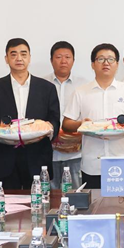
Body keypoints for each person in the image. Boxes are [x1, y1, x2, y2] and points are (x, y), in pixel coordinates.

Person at [63, 43, 124, 189]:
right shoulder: (81, 92)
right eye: (101, 59)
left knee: (121, 202)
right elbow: (66, 124)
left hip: (120, 162)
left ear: (117, 64)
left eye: (110, 59)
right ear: (93, 64)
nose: (106, 63)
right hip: (92, 163)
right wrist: (81, 124)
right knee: (94, 202)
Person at [0, 38, 60, 190]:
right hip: (6, 157)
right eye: (13, 54)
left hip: (38, 155)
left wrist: (45, 130)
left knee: (39, 200)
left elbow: (55, 119)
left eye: (23, 54)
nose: (19, 58)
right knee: (10, 202)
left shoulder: (47, 88)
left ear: (29, 58)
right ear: (6, 59)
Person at [43, 41, 87, 189]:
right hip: (48, 151)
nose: (63, 61)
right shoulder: (40, 84)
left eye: (67, 57)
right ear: (51, 60)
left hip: (76, 152)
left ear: (73, 60)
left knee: (76, 193)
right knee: (49, 194)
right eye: (58, 57)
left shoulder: (84, 85)